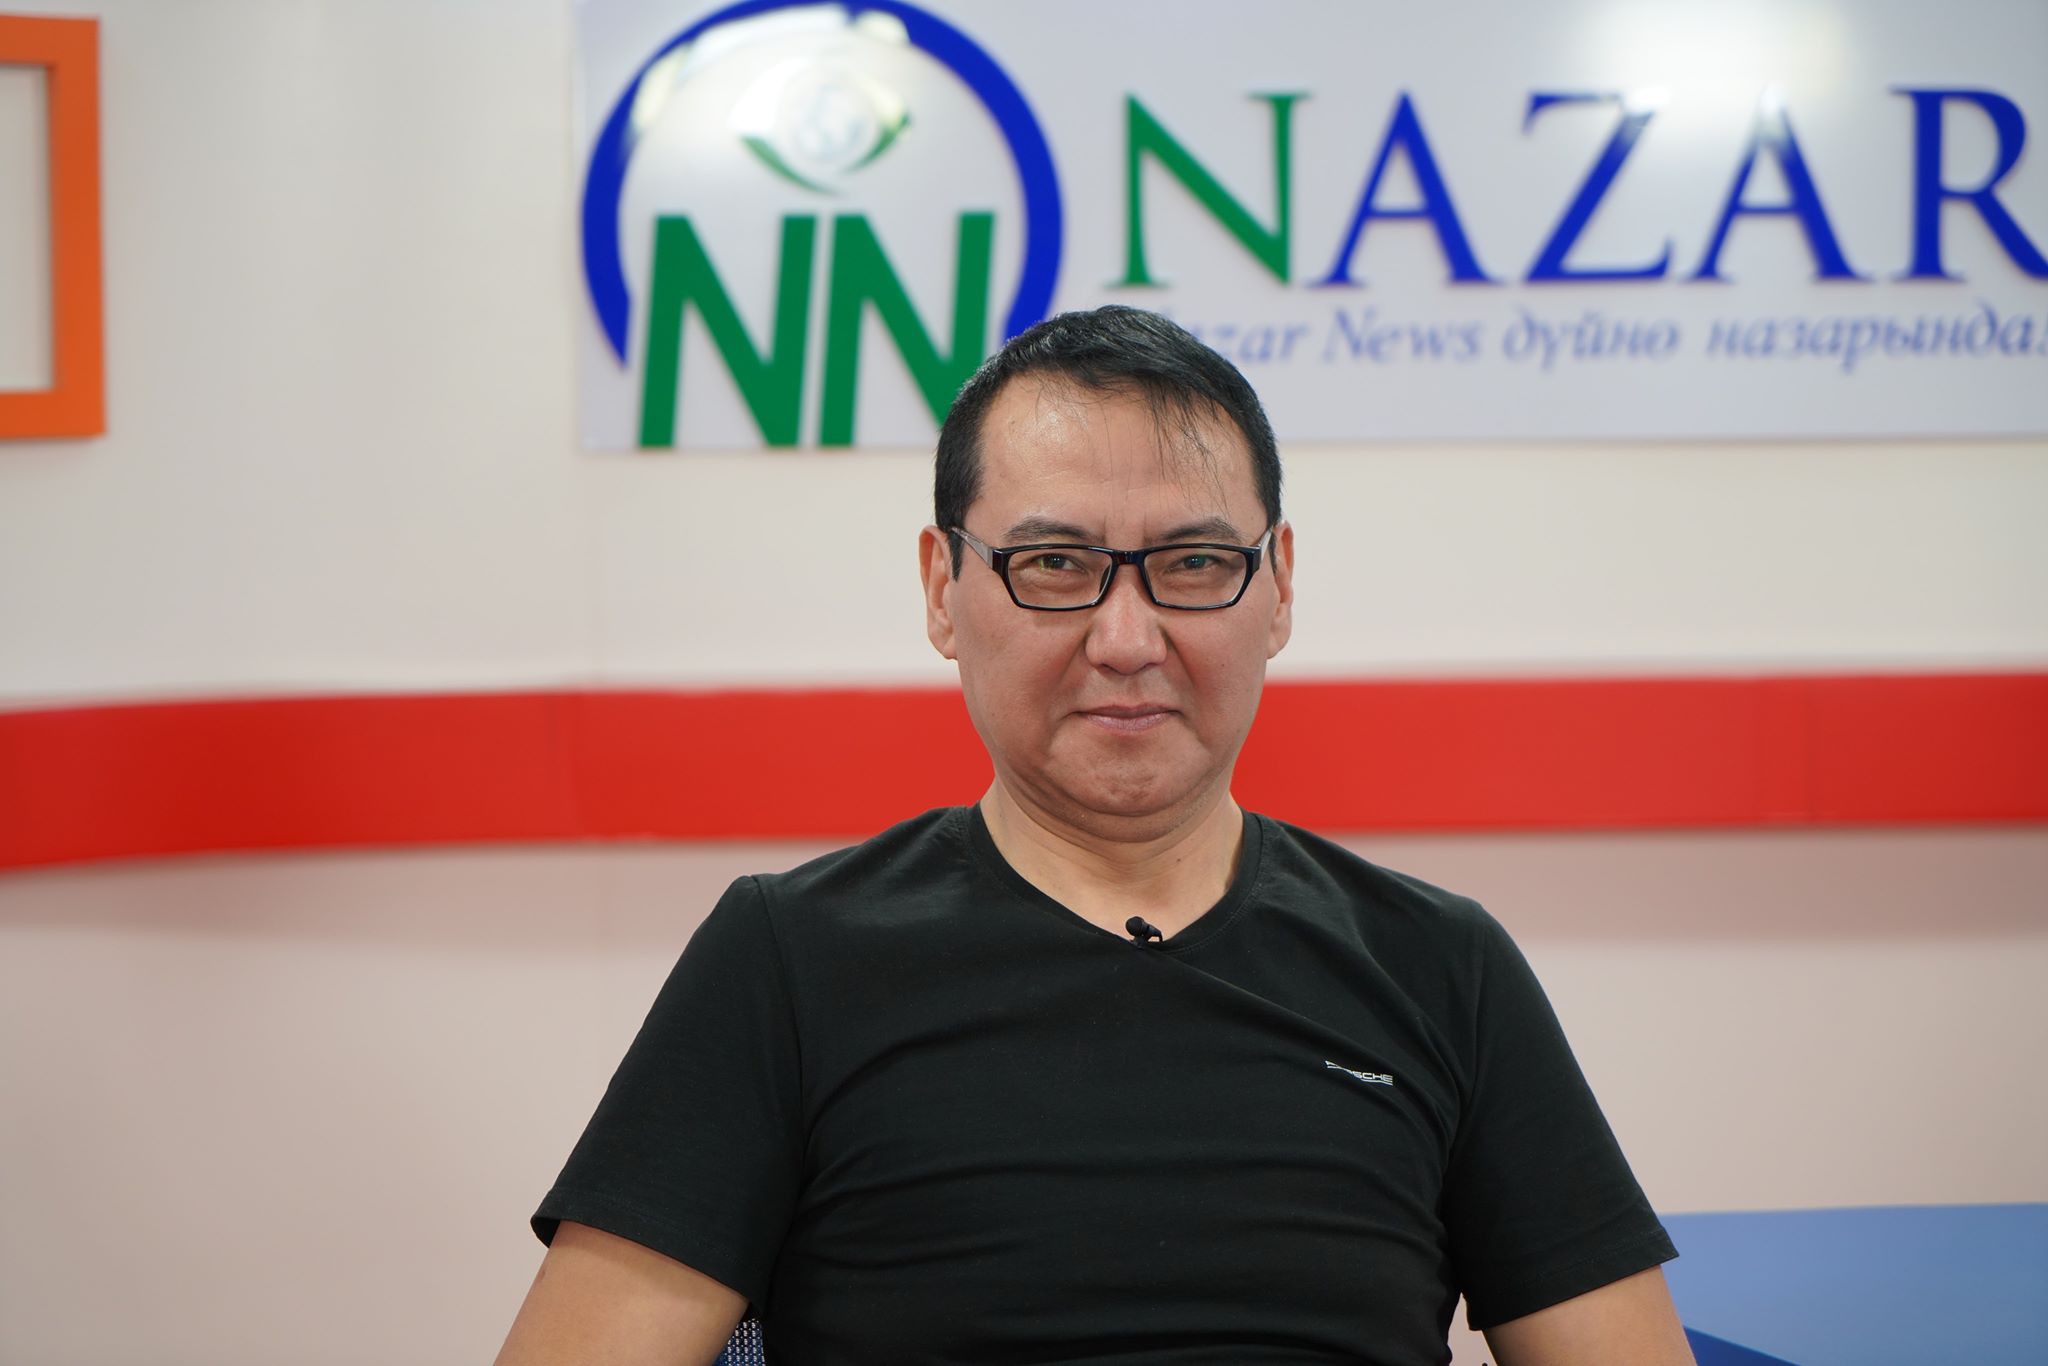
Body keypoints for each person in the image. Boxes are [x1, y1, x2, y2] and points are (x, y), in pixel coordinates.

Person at [495, 306, 1694, 1366]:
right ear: (940, 589)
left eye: (1194, 563)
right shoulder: (786, 961)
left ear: (1278, 585)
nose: (1125, 639)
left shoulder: (1438, 965)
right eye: (1053, 563)